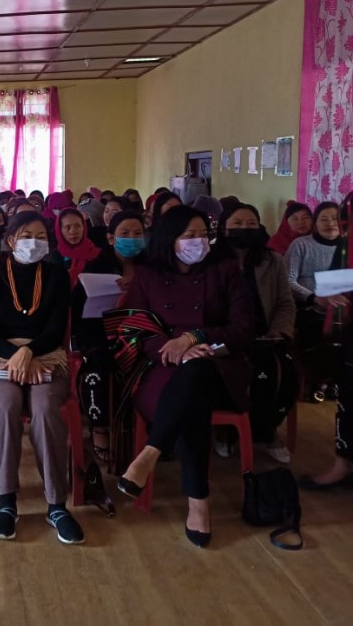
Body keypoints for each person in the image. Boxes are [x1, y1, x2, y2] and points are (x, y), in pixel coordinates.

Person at [117, 206, 254, 548]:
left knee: (196, 376)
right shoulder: (148, 276)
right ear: (170, 239)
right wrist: (170, 348)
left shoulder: (225, 271)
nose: (199, 241)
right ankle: (199, 505)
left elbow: (243, 327)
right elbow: (132, 328)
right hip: (161, 368)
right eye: (189, 235)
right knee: (191, 400)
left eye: (202, 234)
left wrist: (194, 339)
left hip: (218, 367)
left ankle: (150, 454)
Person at [0, 211, 85, 544]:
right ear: (10, 241)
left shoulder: (55, 276)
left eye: (40, 236)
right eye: (26, 236)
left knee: (45, 406)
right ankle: (6, 502)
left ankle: (56, 504)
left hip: (45, 356)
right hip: (0, 360)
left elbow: (55, 329)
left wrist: (29, 352)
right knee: (6, 403)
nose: (34, 243)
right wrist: (16, 355)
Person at [217, 204, 296, 463]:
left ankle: (265, 430)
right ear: (224, 227)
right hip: (224, 338)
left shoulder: (273, 260)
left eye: (251, 224)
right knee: (227, 372)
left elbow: (285, 302)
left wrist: (279, 332)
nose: (244, 229)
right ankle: (226, 430)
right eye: (237, 224)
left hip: (264, 337)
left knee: (284, 373)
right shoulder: (211, 262)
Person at [73, 210, 146, 468]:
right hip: (100, 334)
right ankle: (100, 427)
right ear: (111, 238)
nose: (132, 238)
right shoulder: (97, 268)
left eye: (138, 233)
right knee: (98, 365)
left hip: (142, 335)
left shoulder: (153, 267)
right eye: (125, 233)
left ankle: (148, 430)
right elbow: (78, 311)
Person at [285, 201, 346, 401]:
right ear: (315, 223)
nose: (331, 223)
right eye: (324, 219)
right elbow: (289, 281)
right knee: (320, 330)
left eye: (335, 218)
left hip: (342, 306)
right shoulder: (301, 245)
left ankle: (337, 381)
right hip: (308, 306)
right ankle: (320, 382)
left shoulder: (348, 247)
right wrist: (315, 298)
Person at [50, 208, 100, 289]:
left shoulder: (96, 254)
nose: (73, 231)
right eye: (68, 227)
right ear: (60, 230)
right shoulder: (55, 257)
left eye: (77, 226)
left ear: (84, 227)